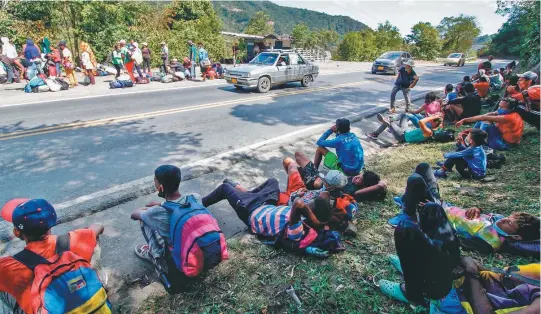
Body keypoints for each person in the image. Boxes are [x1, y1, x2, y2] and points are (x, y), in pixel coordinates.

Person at [0, 198, 108, 314]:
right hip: (90, 304)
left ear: (17, 233)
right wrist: (87, 230)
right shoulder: (75, 239)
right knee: (93, 240)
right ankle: (100, 283)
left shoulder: (8, 266)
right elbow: (98, 227)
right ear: (52, 222)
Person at [379, 202, 462, 313]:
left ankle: (413, 293)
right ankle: (420, 266)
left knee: (405, 231)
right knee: (432, 208)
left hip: (443, 292)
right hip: (451, 273)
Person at [202, 177, 331, 244]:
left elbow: (298, 204)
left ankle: (199, 205)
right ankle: (244, 192)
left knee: (225, 188)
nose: (309, 202)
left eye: (311, 204)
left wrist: (317, 223)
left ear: (310, 212)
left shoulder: (298, 230)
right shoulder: (301, 216)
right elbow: (298, 202)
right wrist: (297, 196)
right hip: (267, 205)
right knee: (273, 182)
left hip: (251, 211)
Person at [130, 165, 204, 277]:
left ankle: (155, 257)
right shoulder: (195, 197)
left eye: (155, 181)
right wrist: (162, 204)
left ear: (161, 188)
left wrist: (151, 209)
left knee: (144, 220)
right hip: (198, 247)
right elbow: (179, 205)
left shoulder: (156, 212)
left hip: (179, 259)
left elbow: (134, 215)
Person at [294, 151, 387, 202]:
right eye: (359, 176)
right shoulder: (353, 177)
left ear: (363, 186)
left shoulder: (356, 192)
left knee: (293, 166)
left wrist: (380, 184)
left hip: (317, 183)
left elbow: (380, 186)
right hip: (320, 176)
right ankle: (302, 177)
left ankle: (301, 181)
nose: (357, 177)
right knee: (298, 154)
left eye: (360, 180)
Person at [443, 204, 539, 252]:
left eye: (509, 223)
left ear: (516, 237)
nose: (504, 219)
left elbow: (458, 242)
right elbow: (483, 214)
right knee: (426, 168)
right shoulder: (499, 219)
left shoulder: (490, 242)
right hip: (447, 206)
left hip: (442, 218)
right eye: (509, 216)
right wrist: (476, 209)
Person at [459, 257, 540, 314]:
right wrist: (471, 264)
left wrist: (472, 275)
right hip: (467, 284)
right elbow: (504, 274)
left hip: (465, 303)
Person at [456, 98, 524, 151]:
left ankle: (478, 143)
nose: (499, 109)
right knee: (481, 122)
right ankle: (472, 138)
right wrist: (465, 120)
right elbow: (483, 116)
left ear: (511, 109)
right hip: (501, 137)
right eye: (499, 106)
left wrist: (464, 120)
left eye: (502, 107)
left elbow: (483, 117)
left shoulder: (508, 117)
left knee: (485, 122)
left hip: (504, 144)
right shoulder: (508, 112)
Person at [366, 113, 443, 144]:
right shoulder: (438, 127)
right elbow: (441, 121)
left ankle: (375, 134)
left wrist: (432, 117)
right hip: (406, 131)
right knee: (405, 115)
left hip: (402, 136)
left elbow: (421, 122)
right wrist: (436, 116)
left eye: (431, 120)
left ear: (435, 123)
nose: (429, 119)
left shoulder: (429, 132)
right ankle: (392, 122)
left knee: (388, 121)